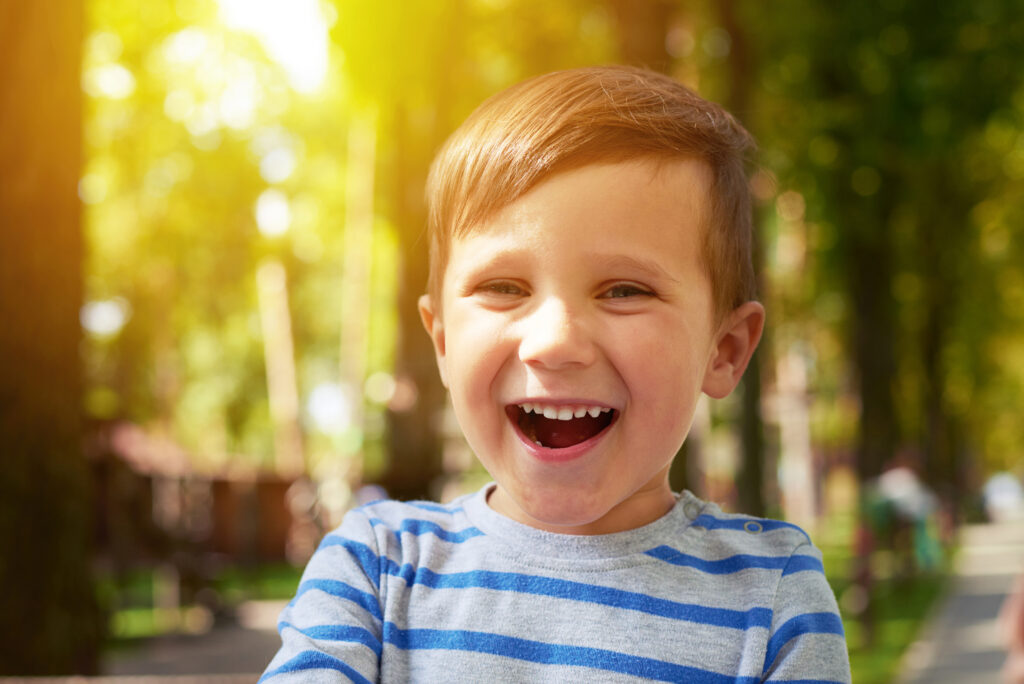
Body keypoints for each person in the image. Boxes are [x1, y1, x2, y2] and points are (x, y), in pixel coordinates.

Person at [260, 65, 851, 683]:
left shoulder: (774, 598)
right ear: (442, 340)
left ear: (724, 351)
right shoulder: (376, 571)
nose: (554, 342)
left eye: (624, 290)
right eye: (503, 287)